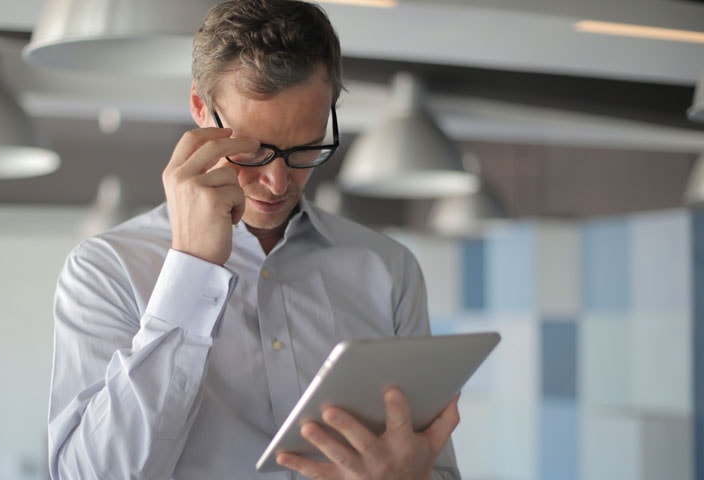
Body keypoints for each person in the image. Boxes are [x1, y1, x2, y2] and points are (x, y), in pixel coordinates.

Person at [48, 0, 461, 478]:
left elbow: (435, 464)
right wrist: (191, 270)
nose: (278, 182)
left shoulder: (389, 269)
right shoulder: (106, 269)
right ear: (202, 108)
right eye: (255, 150)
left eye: (306, 147)